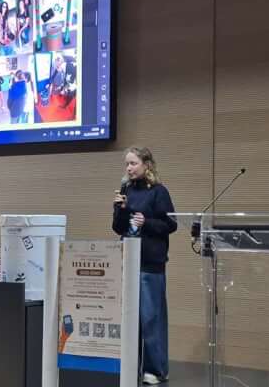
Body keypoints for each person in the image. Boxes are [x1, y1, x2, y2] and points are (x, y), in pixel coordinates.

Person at [112, 147, 176, 385]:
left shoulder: (159, 191)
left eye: (133, 163)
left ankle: (156, 370)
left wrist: (146, 222)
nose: (129, 168)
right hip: (127, 261)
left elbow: (171, 224)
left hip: (150, 264)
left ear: (146, 165)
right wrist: (121, 210)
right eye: (126, 164)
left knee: (150, 318)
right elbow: (118, 228)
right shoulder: (125, 191)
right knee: (129, 319)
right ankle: (131, 366)